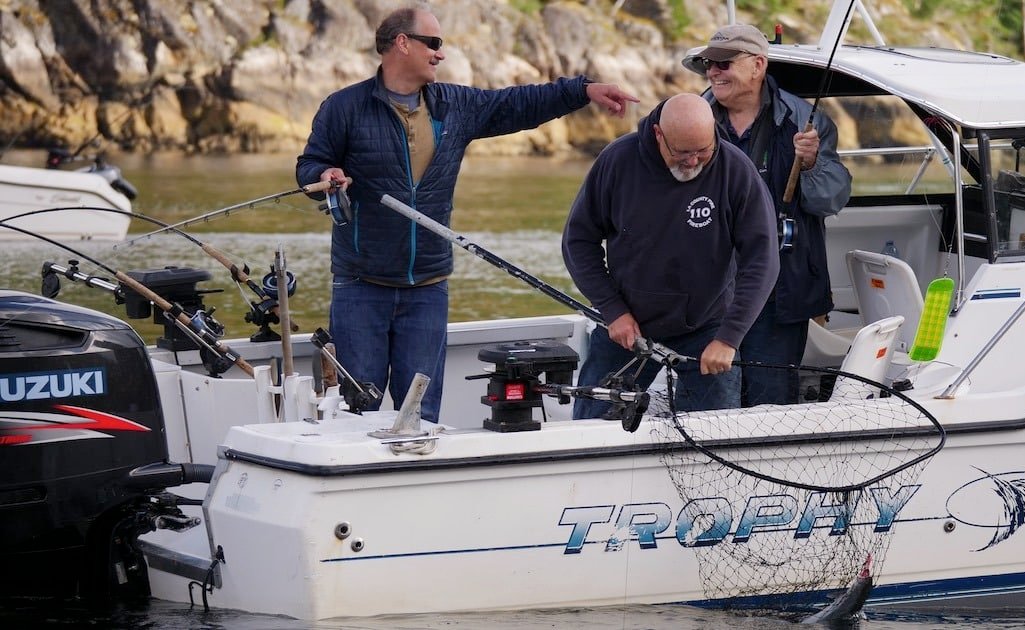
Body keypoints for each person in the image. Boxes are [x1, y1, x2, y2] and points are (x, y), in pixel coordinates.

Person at [296, 5, 637, 422]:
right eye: (434, 43)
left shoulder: (455, 105)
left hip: (428, 287)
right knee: (355, 408)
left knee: (420, 413)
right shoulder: (343, 107)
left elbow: (518, 104)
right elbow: (309, 167)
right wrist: (324, 175)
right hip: (360, 285)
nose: (440, 54)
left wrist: (583, 91)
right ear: (402, 43)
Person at [562, 93, 779, 420]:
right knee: (592, 424)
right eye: (682, 152)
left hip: (708, 326)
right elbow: (578, 241)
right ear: (658, 135)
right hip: (628, 326)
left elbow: (762, 260)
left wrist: (729, 338)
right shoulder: (617, 161)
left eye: (703, 151)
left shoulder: (734, 169)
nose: (693, 162)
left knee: (714, 433)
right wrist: (612, 310)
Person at [684, 24, 852, 406]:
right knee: (706, 406)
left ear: (758, 65)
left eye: (724, 63)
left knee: (769, 403)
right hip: (705, 294)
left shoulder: (807, 122)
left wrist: (810, 165)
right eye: (710, 63)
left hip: (781, 291)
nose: (713, 71)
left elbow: (832, 200)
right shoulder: (689, 119)